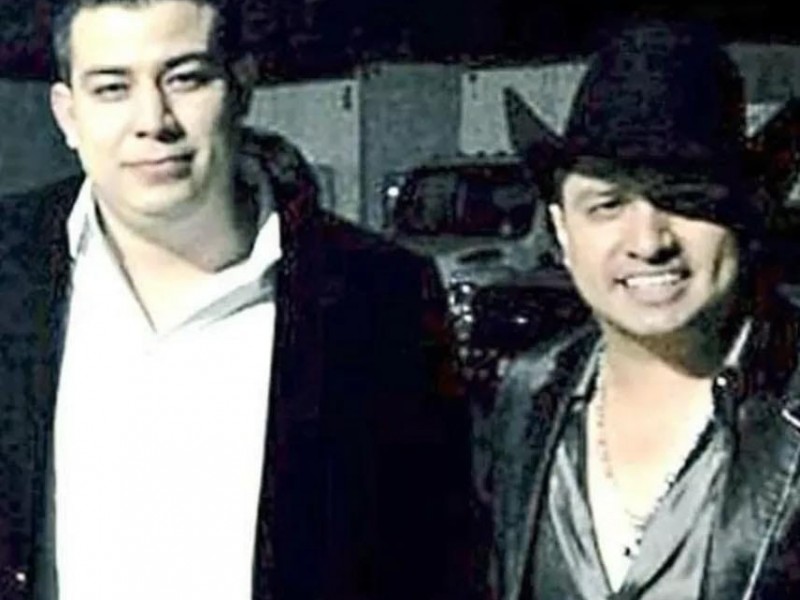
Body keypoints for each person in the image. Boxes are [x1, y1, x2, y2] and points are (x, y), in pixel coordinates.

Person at [0, 0, 470, 598]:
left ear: (241, 87)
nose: (153, 120)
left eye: (185, 79)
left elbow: (433, 559)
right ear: (68, 114)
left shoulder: (379, 299)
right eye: (112, 88)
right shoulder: (10, 275)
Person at [481, 20, 800, 599]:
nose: (649, 241)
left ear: (745, 213)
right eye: (608, 204)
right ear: (563, 230)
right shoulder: (529, 397)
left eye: (685, 198)